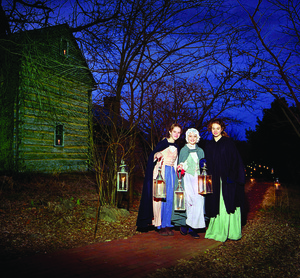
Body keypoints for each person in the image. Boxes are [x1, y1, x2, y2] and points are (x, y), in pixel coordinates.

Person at [204, 118, 245, 242]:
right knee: (215, 204)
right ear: (210, 129)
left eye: (218, 128)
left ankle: (231, 231)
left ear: (222, 129)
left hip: (227, 180)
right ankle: (217, 230)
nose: (215, 131)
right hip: (214, 180)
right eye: (213, 128)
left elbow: (235, 161)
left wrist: (232, 177)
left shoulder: (228, 142)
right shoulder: (209, 145)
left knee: (228, 203)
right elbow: (208, 162)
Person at [136, 123, 182, 236]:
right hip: (161, 172)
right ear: (170, 131)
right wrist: (156, 155)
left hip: (171, 173)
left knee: (170, 199)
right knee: (160, 199)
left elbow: (176, 162)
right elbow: (154, 154)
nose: (176, 134)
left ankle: (167, 224)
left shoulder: (177, 147)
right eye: (174, 131)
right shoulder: (163, 143)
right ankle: (160, 224)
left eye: (179, 132)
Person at [171, 128, 205, 239]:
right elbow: (181, 163)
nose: (192, 138)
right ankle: (184, 224)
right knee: (188, 202)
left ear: (197, 138)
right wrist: (181, 166)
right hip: (187, 179)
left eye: (194, 136)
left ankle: (193, 227)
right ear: (187, 138)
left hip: (197, 179)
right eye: (190, 136)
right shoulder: (184, 150)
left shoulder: (200, 151)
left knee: (198, 202)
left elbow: (203, 166)